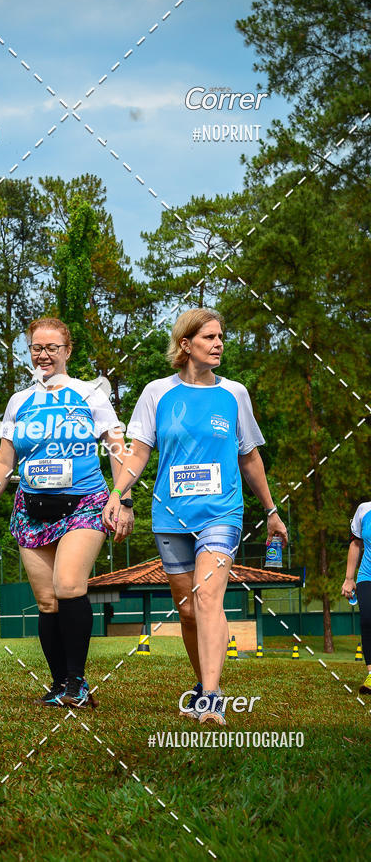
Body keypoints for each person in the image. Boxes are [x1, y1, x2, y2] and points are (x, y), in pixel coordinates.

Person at [103, 308, 288, 725]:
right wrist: (119, 492)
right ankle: (202, 682)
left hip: (222, 512)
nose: (219, 343)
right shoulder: (156, 392)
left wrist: (271, 511)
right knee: (187, 609)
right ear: (186, 345)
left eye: (221, 336)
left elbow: (250, 456)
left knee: (208, 598)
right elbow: (139, 451)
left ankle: (212, 698)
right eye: (209, 337)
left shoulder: (235, 394)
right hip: (171, 515)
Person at [0, 317, 133, 707]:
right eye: (36, 348)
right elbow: (4, 460)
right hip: (31, 508)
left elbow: (117, 447)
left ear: (68, 351)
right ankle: (60, 684)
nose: (43, 355)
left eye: (52, 348)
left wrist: (122, 499)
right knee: (47, 601)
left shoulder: (90, 394)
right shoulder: (19, 402)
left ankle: (78, 683)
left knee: (69, 586)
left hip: (85, 503)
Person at [341, 502, 371, 694]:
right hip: (367, 575)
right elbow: (355, 543)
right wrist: (349, 579)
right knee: (368, 620)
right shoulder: (364, 509)